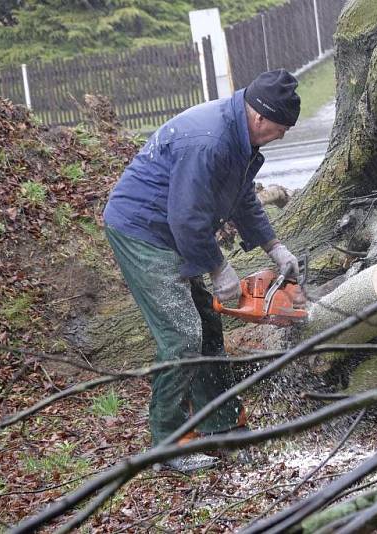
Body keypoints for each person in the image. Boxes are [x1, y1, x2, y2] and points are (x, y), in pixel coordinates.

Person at [103, 69, 301, 472]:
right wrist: (218, 268)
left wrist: (275, 247)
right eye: (280, 129)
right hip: (144, 232)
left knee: (207, 326)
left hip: (172, 229)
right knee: (182, 335)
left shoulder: (238, 137)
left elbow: (243, 197)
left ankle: (220, 425)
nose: (281, 137)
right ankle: (166, 446)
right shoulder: (208, 141)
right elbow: (188, 218)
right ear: (261, 117)